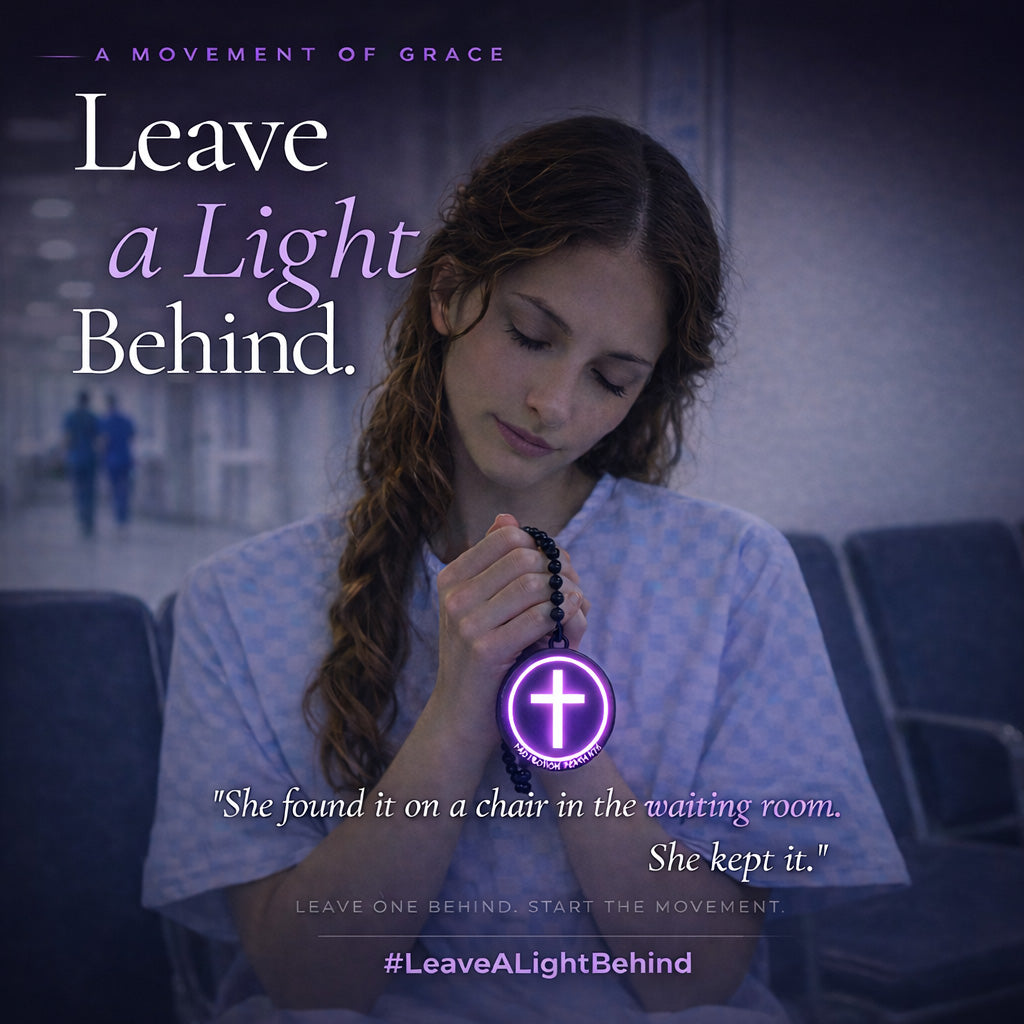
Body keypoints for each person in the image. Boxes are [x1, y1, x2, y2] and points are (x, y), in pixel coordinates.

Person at [144, 117, 906, 1023]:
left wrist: (560, 727)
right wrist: (458, 709)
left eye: (610, 378)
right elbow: (312, 983)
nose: (554, 404)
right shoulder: (242, 600)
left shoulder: (732, 572)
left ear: (644, 392)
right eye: (532, 334)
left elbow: (699, 977)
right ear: (451, 291)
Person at [63, 390, 100, 537]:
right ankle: (89, 519)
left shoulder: (71, 417)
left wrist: (65, 454)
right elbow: (99, 440)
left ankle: (82, 516)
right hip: (90, 458)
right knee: (90, 491)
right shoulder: (92, 418)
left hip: (76, 458)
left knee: (78, 489)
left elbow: (67, 438)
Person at [99, 393, 135, 527]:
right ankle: (123, 515)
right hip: (125, 458)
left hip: (112, 460)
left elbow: (103, 442)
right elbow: (132, 436)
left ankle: (119, 516)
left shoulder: (105, 421)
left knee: (115, 489)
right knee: (124, 488)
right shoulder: (125, 420)